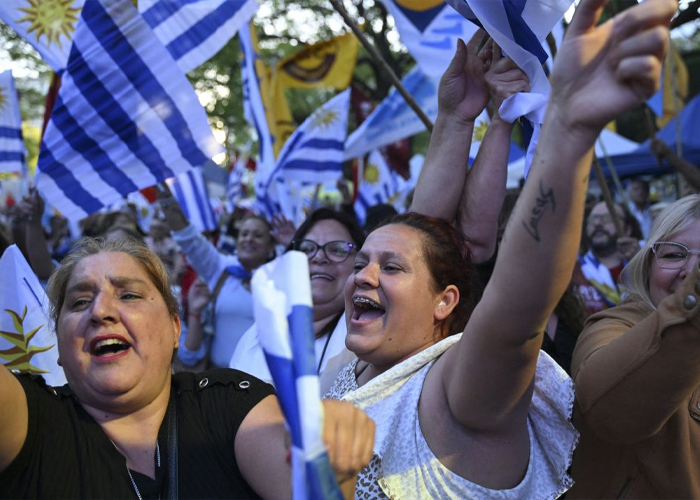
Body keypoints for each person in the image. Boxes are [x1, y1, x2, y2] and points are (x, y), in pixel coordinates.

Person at [326, 0, 675, 497]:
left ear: (446, 301)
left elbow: (518, 309)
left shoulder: (463, 390)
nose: (363, 275)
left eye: (390, 268)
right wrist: (456, 116)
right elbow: (427, 236)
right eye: (361, 262)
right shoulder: (361, 359)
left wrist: (567, 135)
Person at [0, 236, 374, 499]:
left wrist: (328, 459)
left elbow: (302, 485)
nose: (101, 311)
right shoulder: (28, 419)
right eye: (79, 302)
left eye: (128, 295)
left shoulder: (225, 402)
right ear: (60, 348)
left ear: (175, 328)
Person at [569, 194, 700, 499]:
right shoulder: (615, 326)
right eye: (674, 255)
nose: (689, 271)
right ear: (647, 264)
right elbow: (608, 411)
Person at [230, 208, 365, 394]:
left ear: (360, 264)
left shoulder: (368, 337)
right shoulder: (254, 336)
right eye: (307, 249)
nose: (319, 257)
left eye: (337, 249)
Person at [158, 192, 278, 368]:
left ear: (271, 246)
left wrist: (291, 242)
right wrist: (163, 192)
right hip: (220, 380)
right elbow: (189, 238)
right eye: (244, 234)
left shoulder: (281, 278)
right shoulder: (221, 268)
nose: (249, 239)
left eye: (258, 235)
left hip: (264, 381)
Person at [574, 200, 641, 316]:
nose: (598, 223)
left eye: (607, 218)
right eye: (593, 219)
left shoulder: (646, 265)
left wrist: (642, 265)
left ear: (628, 229)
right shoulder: (573, 273)